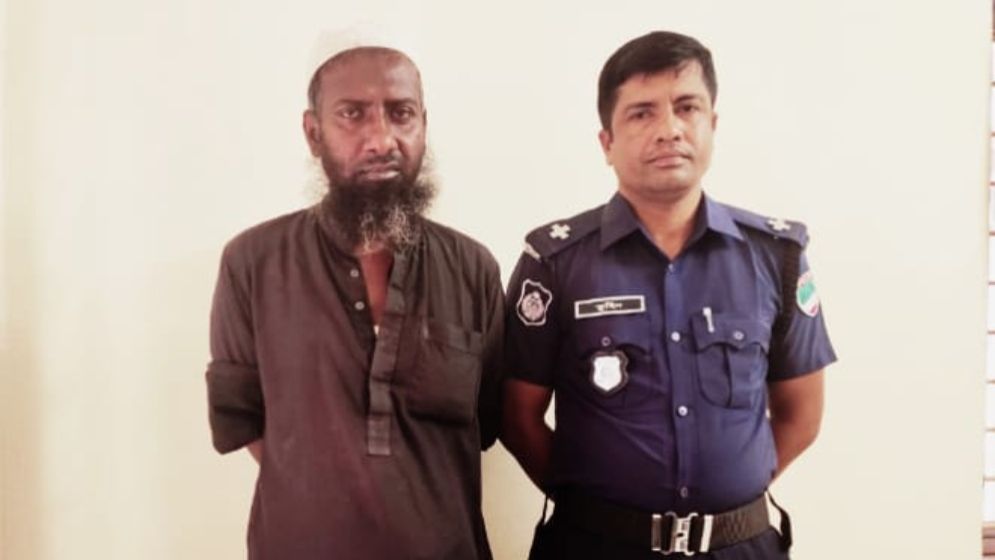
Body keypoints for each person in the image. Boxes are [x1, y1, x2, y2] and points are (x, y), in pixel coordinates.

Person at [501, 30, 836, 559]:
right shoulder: (555, 263)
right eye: (642, 113)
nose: (669, 129)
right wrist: (602, 514)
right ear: (606, 143)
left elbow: (802, 415)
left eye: (687, 108)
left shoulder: (776, 257)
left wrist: (727, 496)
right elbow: (516, 416)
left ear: (712, 125)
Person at [204, 37, 503, 560]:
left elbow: (488, 420)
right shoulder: (252, 263)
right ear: (313, 133)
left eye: (401, 113)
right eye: (353, 114)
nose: (381, 139)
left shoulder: (473, 268)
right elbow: (241, 416)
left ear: (424, 125)